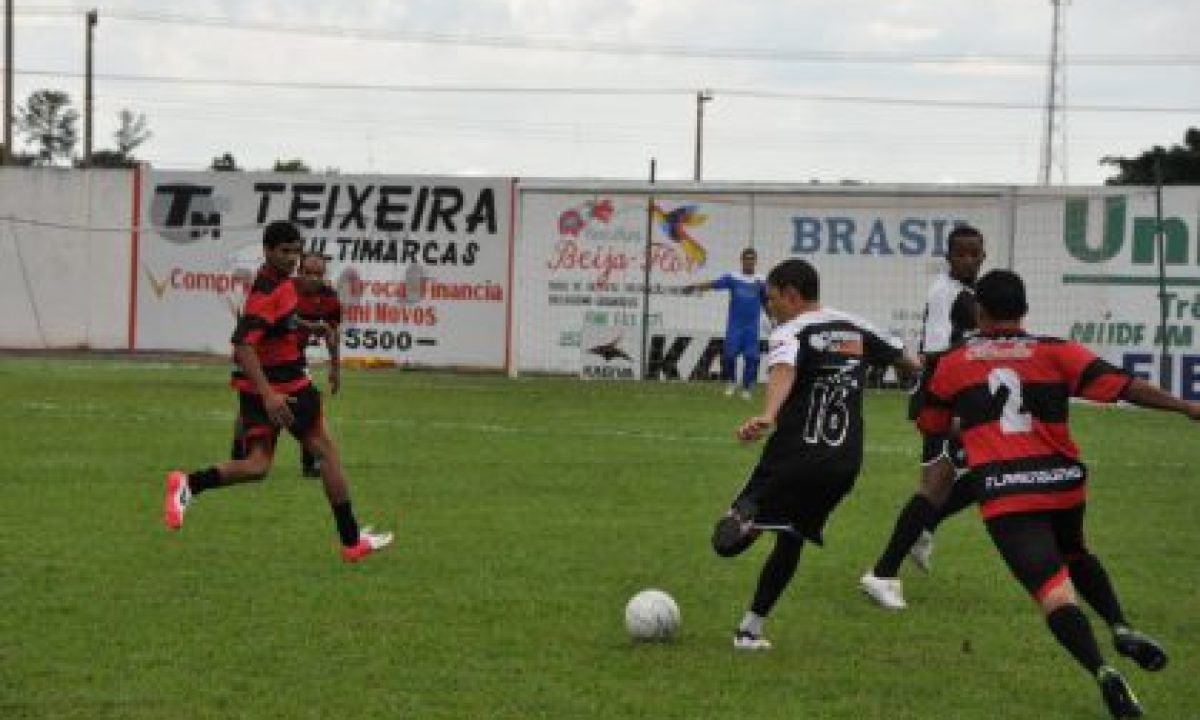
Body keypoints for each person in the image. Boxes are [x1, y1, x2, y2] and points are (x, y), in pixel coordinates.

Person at [915, 269, 1198, 719]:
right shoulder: (1057, 351)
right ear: (1025, 309)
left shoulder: (954, 362)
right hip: (1063, 483)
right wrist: (1185, 406)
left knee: (1053, 593)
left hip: (1006, 492)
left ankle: (1103, 671)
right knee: (1076, 552)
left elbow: (931, 424)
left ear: (979, 312)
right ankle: (1121, 626)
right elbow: (1124, 386)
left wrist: (972, 423)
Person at [711, 258, 920, 650]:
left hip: (793, 456)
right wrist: (920, 381)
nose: (769, 307)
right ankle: (750, 630)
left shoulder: (791, 330)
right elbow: (906, 359)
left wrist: (768, 414)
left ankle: (753, 518)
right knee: (791, 539)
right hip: (842, 465)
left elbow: (784, 370)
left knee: (724, 542)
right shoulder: (856, 327)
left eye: (771, 298)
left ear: (791, 295)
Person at [164, 220, 392, 563]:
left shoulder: (281, 282)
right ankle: (351, 541)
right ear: (267, 251)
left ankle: (188, 484)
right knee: (327, 454)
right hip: (286, 384)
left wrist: (312, 326)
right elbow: (243, 345)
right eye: (284, 251)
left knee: (257, 465)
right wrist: (270, 394)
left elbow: (282, 322)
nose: (291, 257)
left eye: (295, 251)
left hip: (260, 386)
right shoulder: (266, 292)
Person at [860, 225, 986, 609]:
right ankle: (882, 573)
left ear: (983, 256)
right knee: (935, 487)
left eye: (974, 253)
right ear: (948, 257)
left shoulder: (969, 294)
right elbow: (935, 354)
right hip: (943, 400)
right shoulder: (946, 292)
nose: (968, 260)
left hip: (963, 399)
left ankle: (924, 528)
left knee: (986, 474)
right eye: (961, 253)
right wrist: (953, 410)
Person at [682, 247, 767, 399]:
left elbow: (766, 302)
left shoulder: (761, 281)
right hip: (735, 326)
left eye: (752, 259)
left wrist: (773, 319)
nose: (749, 262)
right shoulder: (733, 278)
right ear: (741, 260)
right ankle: (731, 382)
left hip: (751, 327)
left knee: (752, 358)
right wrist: (695, 286)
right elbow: (713, 284)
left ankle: (747, 388)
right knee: (729, 356)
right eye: (746, 259)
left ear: (755, 261)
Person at [294, 252, 343, 477]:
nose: (313, 278)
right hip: (266, 355)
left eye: (318, 274)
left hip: (294, 359)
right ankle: (240, 455)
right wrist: (311, 326)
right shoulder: (286, 289)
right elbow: (283, 318)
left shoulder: (329, 298)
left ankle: (310, 462)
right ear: (299, 272)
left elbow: (332, 333)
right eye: (308, 273)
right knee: (251, 406)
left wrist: (335, 368)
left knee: (311, 405)